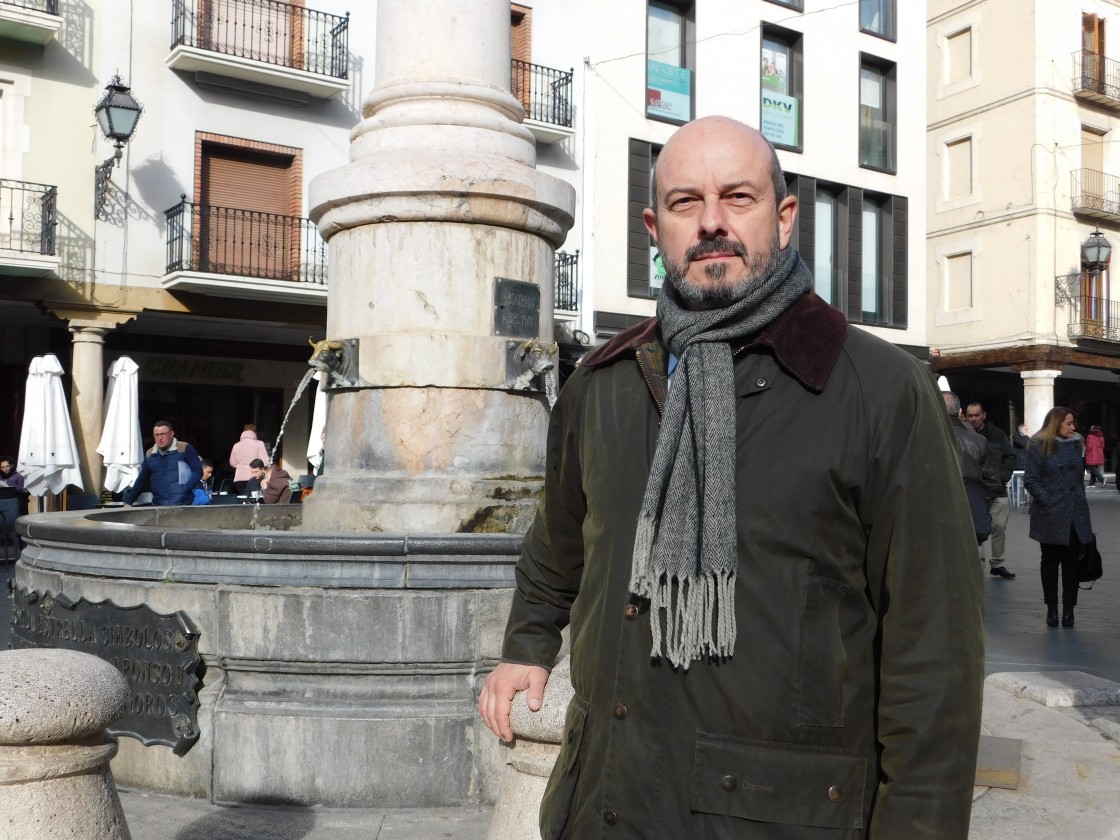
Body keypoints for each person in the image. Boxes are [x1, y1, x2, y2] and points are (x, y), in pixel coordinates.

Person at [479, 116, 984, 838]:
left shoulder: (877, 388)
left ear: (784, 216)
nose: (712, 222)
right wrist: (527, 645)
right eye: (685, 202)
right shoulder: (603, 382)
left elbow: (935, 653)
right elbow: (558, 541)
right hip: (606, 806)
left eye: (738, 197)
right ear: (655, 228)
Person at [1024, 407, 1093, 628]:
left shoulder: (1076, 444)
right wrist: (1049, 501)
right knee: (1050, 562)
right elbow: (1031, 480)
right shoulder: (1038, 445)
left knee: (1072, 564)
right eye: (1069, 423)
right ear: (1056, 424)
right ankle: (1052, 610)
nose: (1073, 428)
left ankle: (1069, 611)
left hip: (1074, 514)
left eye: (1073, 423)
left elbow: (1078, 482)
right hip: (1050, 515)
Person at [966, 401, 1017, 579]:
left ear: (984, 415)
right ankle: (975, 566)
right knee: (974, 530)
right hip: (975, 490)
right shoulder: (964, 435)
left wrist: (1001, 477)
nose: (973, 419)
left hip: (997, 490)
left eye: (976, 415)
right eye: (970, 415)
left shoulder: (997, 434)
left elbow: (1010, 456)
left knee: (999, 527)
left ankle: (997, 563)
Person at [944, 392, 1001, 548]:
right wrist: (980, 504)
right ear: (960, 412)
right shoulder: (978, 440)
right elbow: (993, 481)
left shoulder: (923, 438)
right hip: (971, 508)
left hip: (937, 514)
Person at [123, 421, 203, 507]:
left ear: (171, 434)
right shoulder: (150, 454)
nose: (160, 438)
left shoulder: (184, 448)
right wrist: (129, 502)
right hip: (158, 504)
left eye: (163, 434)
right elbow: (141, 480)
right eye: (156, 435)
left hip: (183, 503)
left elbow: (198, 471)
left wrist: (185, 488)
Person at [229, 424, 270, 494]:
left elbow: (232, 462)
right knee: (255, 498)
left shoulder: (236, 445)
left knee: (243, 498)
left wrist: (241, 466)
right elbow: (265, 461)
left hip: (239, 477)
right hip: (254, 477)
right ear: (254, 432)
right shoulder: (259, 443)